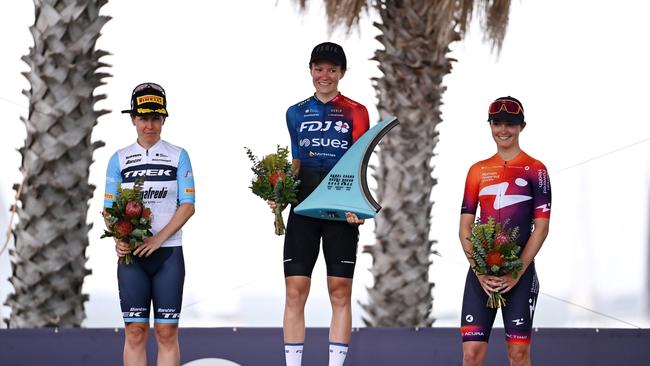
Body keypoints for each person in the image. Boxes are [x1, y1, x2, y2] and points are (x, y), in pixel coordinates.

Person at [269, 42, 369, 366]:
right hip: (304, 208)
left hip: (342, 210)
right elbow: (296, 162)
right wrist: (280, 194)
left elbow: (360, 163)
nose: (325, 75)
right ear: (310, 70)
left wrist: (360, 205)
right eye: (319, 68)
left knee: (339, 291)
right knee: (295, 290)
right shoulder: (294, 112)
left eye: (332, 69)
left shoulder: (357, 111)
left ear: (342, 73)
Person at [104, 82, 195, 366]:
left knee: (167, 332)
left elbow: (188, 205)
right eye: (143, 118)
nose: (149, 125)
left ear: (164, 119)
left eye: (156, 118)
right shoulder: (118, 159)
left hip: (168, 253)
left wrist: (158, 239)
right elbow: (108, 209)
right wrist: (120, 238)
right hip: (132, 257)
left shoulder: (178, 155)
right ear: (133, 118)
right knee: (135, 331)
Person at [459, 96, 551, 366]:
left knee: (518, 354)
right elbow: (465, 226)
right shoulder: (477, 170)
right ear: (489, 126)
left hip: (519, 274)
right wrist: (479, 270)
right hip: (481, 274)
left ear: (522, 126)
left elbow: (542, 227)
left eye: (510, 124)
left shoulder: (536, 170)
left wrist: (516, 271)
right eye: (497, 123)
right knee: (471, 354)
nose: (503, 130)